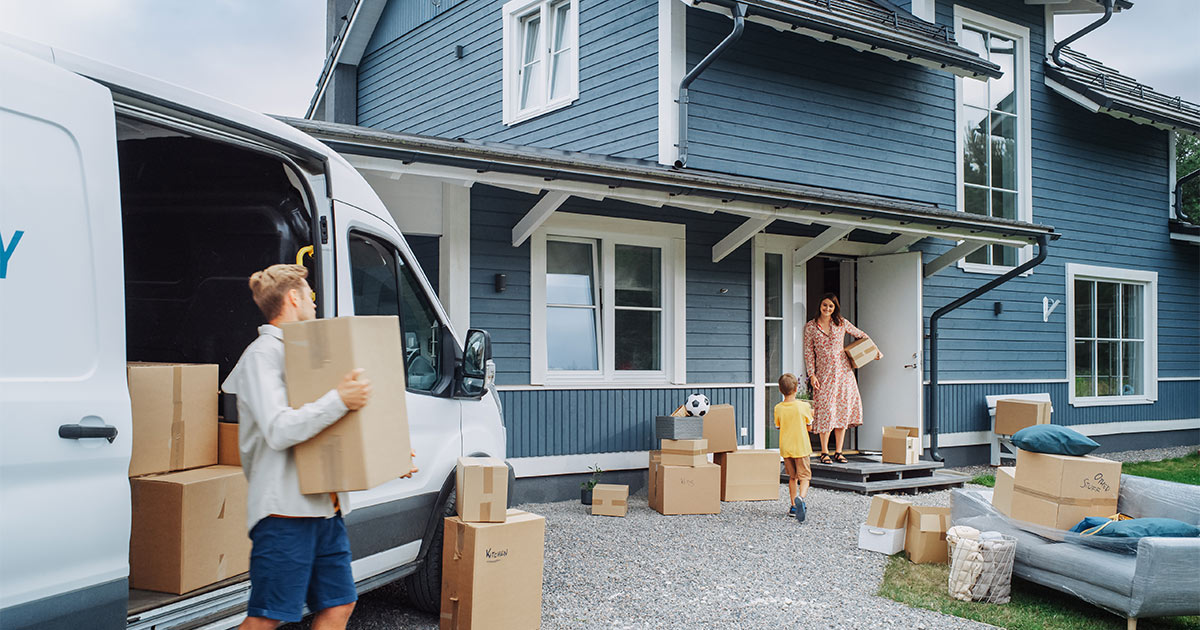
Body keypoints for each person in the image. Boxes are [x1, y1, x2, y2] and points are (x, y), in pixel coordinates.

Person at [222, 264, 371, 630]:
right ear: (293, 299)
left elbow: (329, 427)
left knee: (340, 605)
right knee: (267, 617)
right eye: (310, 296)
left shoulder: (307, 355)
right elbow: (279, 428)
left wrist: (387, 455)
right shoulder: (262, 356)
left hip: (324, 508)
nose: (315, 304)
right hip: (284, 514)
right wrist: (340, 398)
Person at [802, 293, 882, 465]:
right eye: (825, 305)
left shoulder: (841, 323)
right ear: (820, 306)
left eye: (831, 306)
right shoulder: (811, 327)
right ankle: (824, 452)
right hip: (823, 374)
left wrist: (872, 352)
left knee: (841, 411)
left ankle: (838, 451)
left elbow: (862, 335)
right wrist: (812, 374)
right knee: (825, 412)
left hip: (844, 373)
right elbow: (808, 352)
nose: (827, 309)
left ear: (835, 308)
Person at [774, 373, 814, 521]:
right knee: (805, 477)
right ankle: (801, 499)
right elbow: (809, 428)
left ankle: (793, 506)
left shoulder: (778, 408)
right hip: (801, 447)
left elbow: (778, 426)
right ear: (796, 388)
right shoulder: (804, 406)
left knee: (792, 477)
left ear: (780, 390)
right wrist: (811, 415)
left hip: (786, 448)